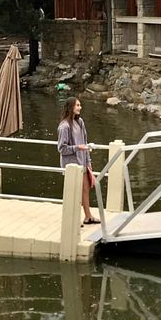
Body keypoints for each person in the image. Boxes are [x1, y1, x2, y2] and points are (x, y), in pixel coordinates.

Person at [56, 96, 98, 224]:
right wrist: (77, 147)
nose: (80, 107)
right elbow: (62, 149)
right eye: (78, 105)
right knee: (73, 193)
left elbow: (85, 143)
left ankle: (88, 216)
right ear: (71, 107)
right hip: (71, 165)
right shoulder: (64, 127)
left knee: (85, 189)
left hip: (82, 162)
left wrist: (88, 162)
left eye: (80, 105)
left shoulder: (80, 122)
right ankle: (72, 220)